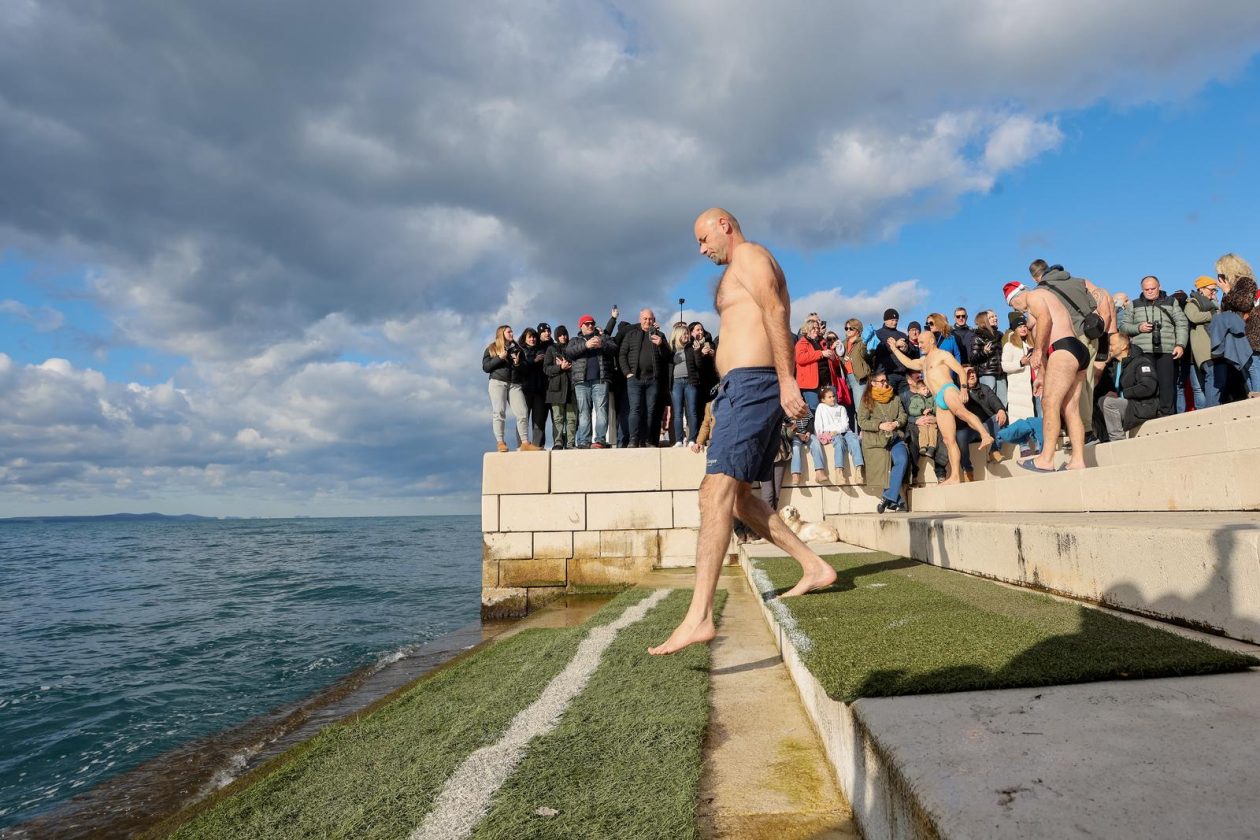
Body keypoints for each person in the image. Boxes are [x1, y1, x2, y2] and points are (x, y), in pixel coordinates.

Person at [649, 208, 837, 656]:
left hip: (755, 383)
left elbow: (773, 309)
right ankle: (813, 566)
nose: (701, 248)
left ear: (724, 226)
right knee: (738, 497)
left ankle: (698, 617)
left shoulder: (750, 255)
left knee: (712, 493)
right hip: (740, 387)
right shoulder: (737, 268)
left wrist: (788, 378)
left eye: (702, 238)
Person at [887, 323, 993, 484]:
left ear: (931, 341)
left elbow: (959, 370)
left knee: (961, 413)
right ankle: (955, 476)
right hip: (938, 399)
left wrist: (963, 389)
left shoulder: (943, 354)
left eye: (922, 342)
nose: (919, 344)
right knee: (948, 439)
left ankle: (985, 435)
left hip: (948, 389)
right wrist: (894, 349)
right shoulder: (923, 361)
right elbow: (908, 363)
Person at [1004, 281, 1088, 472]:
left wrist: (1038, 351)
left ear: (1017, 297)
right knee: (1071, 409)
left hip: (1062, 349)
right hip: (1075, 350)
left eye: (1012, 305)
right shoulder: (1047, 298)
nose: (1016, 309)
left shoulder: (1034, 296)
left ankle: (1046, 459)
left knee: (1049, 403)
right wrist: (1042, 374)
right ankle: (1077, 460)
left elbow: (1046, 320)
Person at [1119, 275, 1188, 417]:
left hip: (1167, 350)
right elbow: (1123, 327)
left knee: (1167, 385)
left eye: (1153, 288)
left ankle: (1167, 415)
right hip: (1142, 352)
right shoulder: (1134, 304)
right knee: (1147, 385)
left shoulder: (1171, 302)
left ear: (1159, 286)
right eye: (1146, 289)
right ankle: (1148, 414)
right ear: (1141, 289)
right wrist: (1139, 327)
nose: (1150, 291)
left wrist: (1180, 344)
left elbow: (1182, 323)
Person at [858, 370, 911, 512]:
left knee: (902, 459)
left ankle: (887, 497)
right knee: (883, 468)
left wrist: (895, 424)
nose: (885, 383)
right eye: (882, 381)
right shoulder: (866, 400)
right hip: (877, 440)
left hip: (894, 438)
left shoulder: (895, 398)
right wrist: (879, 425)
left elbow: (903, 416)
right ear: (873, 384)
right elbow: (862, 421)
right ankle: (897, 502)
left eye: (886, 380)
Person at [482, 325, 541, 452]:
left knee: (522, 412)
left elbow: (525, 369)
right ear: (501, 334)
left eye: (512, 331)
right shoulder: (492, 348)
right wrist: (500, 358)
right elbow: (486, 367)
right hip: (498, 382)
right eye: (509, 331)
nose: (512, 333)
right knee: (499, 412)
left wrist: (518, 363)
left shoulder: (517, 348)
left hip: (515, 384)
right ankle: (500, 442)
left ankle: (525, 443)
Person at [1093, 332, 1159, 441]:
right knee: (1101, 400)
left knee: (1109, 403)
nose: (1109, 348)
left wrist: (1122, 394)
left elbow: (1148, 387)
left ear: (1123, 346)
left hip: (1144, 406)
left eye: (1112, 345)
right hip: (1130, 405)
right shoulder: (1114, 365)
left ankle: (1118, 440)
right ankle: (1104, 438)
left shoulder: (1141, 362)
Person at [618, 308, 669, 447]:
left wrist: (661, 345)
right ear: (640, 319)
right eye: (645, 318)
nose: (648, 321)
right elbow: (622, 354)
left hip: (653, 380)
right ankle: (633, 440)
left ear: (654, 320)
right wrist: (627, 373)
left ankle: (647, 440)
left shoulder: (660, 335)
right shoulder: (631, 335)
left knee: (651, 411)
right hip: (635, 379)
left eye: (650, 319)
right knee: (635, 410)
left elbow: (668, 357)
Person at [566, 314, 618, 449]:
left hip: (600, 380)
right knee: (584, 411)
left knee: (601, 410)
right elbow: (569, 352)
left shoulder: (602, 338)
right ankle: (584, 441)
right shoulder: (575, 340)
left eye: (592, 323)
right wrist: (586, 345)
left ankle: (600, 440)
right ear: (581, 326)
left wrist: (602, 344)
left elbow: (614, 349)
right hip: (581, 382)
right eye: (587, 323)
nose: (590, 325)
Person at [1217, 253, 1260, 397]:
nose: (1219, 275)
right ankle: (1253, 396)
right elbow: (1225, 309)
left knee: (1253, 365)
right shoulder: (1229, 286)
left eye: (1221, 270)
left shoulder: (1245, 282)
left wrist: (1228, 291)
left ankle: (1257, 396)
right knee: (1244, 366)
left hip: (1250, 330)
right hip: (1236, 333)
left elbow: (1245, 303)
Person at [955, 366, 1007, 478]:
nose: (972, 375)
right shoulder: (956, 392)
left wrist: (1000, 409)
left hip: (986, 426)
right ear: (961, 378)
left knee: (1000, 416)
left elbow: (994, 401)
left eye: (973, 372)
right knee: (960, 436)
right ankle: (968, 470)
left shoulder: (984, 388)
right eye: (968, 373)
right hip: (968, 430)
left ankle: (994, 451)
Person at [814, 385, 865, 482]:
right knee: (839, 442)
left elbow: (845, 425)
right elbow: (818, 424)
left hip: (844, 431)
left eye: (833, 396)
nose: (833, 398)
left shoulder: (841, 408)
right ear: (823, 400)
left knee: (854, 440)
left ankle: (858, 470)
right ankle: (839, 472)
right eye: (829, 397)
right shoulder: (821, 407)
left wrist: (836, 430)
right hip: (831, 434)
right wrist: (824, 434)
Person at [1183, 277, 1219, 408]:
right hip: (1199, 349)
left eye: (1216, 290)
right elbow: (1194, 316)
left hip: (1212, 346)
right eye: (1212, 290)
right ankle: (1209, 409)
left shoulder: (1214, 305)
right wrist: (1212, 315)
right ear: (1201, 289)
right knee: (1203, 383)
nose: (1214, 293)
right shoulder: (1192, 303)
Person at [794, 317, 844, 411]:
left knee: (831, 409)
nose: (816, 330)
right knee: (816, 410)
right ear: (807, 329)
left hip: (827, 382)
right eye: (813, 328)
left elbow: (835, 360)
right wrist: (821, 353)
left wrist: (833, 358)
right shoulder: (801, 343)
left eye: (817, 328)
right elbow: (800, 358)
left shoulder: (823, 342)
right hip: (811, 384)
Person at [544, 325, 578, 449]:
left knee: (571, 418)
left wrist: (569, 366)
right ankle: (558, 443)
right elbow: (546, 368)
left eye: (565, 334)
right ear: (556, 336)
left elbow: (579, 365)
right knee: (557, 418)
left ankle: (570, 443)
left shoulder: (572, 347)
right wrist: (559, 367)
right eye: (560, 335)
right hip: (556, 389)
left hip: (571, 387)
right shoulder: (551, 349)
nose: (563, 337)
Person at [668, 323, 702, 447]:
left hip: (690, 382)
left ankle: (692, 438)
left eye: (688, 333)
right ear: (678, 335)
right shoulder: (671, 350)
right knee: (677, 413)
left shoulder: (691, 348)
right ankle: (679, 440)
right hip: (676, 383)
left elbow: (699, 365)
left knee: (692, 411)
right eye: (685, 333)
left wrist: (697, 352)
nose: (687, 335)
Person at [1002, 312, 1036, 422]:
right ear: (1015, 329)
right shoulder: (1009, 345)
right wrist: (1020, 363)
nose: (1023, 329)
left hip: (1033, 383)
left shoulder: (1031, 344)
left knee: (1035, 414)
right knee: (1019, 417)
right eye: (1020, 326)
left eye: (1025, 326)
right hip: (1018, 387)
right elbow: (1005, 366)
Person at [518, 327, 549, 447]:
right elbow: (521, 368)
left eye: (534, 337)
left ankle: (537, 446)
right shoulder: (520, 351)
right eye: (530, 337)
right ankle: (521, 444)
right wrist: (534, 361)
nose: (532, 339)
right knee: (523, 418)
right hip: (525, 390)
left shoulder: (542, 350)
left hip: (540, 390)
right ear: (524, 338)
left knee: (539, 420)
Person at [869, 309, 910, 395]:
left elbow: (910, 352)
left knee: (907, 403)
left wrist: (906, 348)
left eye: (896, 320)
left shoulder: (902, 335)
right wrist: (894, 346)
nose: (894, 322)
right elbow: (875, 351)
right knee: (889, 401)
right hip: (887, 375)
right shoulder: (877, 334)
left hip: (903, 375)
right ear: (885, 320)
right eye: (892, 320)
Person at [970, 310, 1007, 407]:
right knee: (990, 403)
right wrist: (984, 352)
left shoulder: (1000, 335)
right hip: (987, 374)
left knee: (1004, 402)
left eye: (995, 316)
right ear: (984, 320)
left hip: (1000, 373)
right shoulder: (977, 337)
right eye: (991, 317)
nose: (995, 318)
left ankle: (1005, 422)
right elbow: (972, 359)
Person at [840, 318, 871, 426]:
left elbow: (866, 355)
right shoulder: (842, 343)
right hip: (845, 378)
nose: (847, 330)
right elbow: (839, 359)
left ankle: (864, 433)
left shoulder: (862, 342)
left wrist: (859, 341)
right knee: (848, 409)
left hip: (858, 378)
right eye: (846, 328)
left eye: (850, 328)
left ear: (857, 330)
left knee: (860, 408)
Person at [786, 406, 826, 486]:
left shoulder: (806, 409)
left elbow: (811, 422)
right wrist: (798, 434)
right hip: (795, 435)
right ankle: (795, 474)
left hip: (807, 433)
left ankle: (819, 471)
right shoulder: (787, 411)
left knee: (815, 442)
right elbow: (787, 427)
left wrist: (808, 433)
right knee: (795, 447)